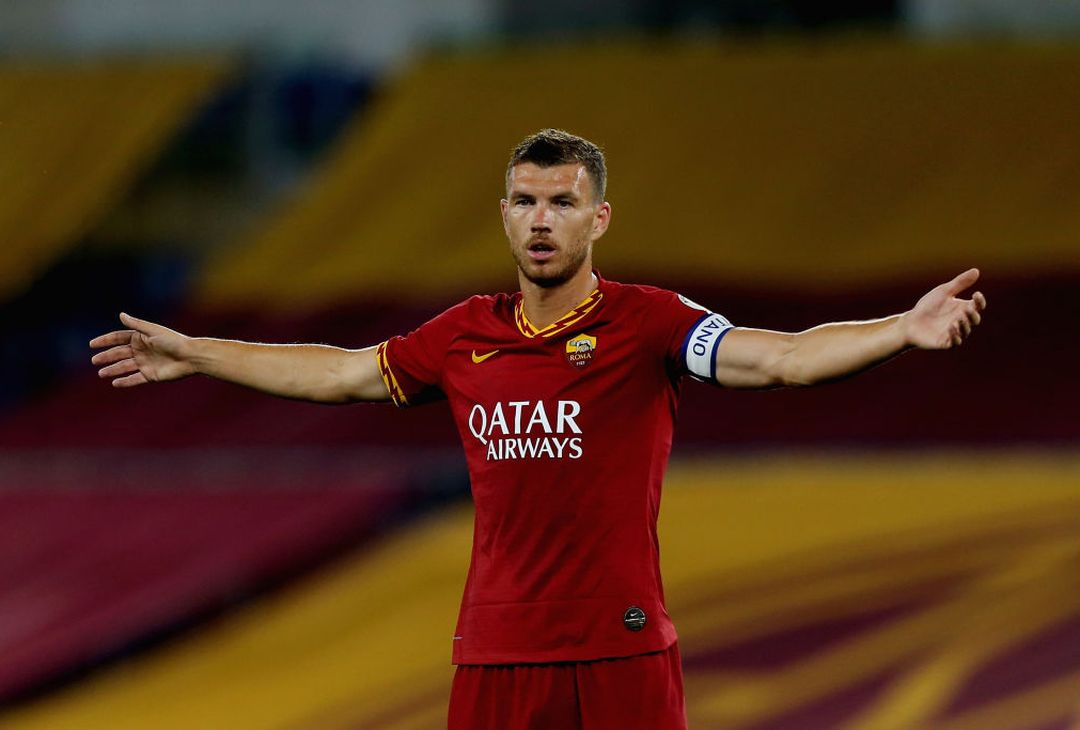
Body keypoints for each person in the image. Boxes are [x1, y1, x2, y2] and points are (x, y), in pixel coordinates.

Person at [90, 129, 986, 729]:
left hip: (620, 648)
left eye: (561, 202)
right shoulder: (462, 335)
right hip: (497, 653)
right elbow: (342, 372)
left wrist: (899, 331)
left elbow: (781, 358)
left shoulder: (650, 322)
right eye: (525, 202)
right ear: (505, 216)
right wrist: (199, 353)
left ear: (599, 218)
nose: (541, 220)